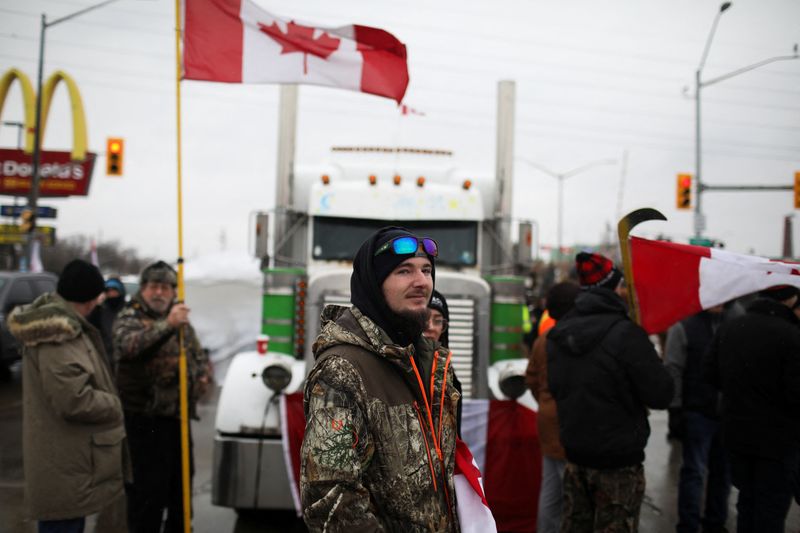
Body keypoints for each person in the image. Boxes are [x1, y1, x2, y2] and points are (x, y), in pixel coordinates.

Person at [300, 227, 460, 531]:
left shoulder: (428, 360)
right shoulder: (342, 370)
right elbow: (329, 500)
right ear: (374, 284)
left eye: (426, 270)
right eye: (404, 271)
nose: (421, 282)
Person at [547, 252, 674, 532]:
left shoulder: (557, 334)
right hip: (618, 465)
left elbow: (556, 389)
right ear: (614, 288)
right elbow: (661, 394)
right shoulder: (628, 335)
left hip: (575, 459)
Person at [9, 259, 128, 533]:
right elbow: (73, 400)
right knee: (62, 525)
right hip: (64, 466)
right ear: (88, 299)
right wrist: (113, 403)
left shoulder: (64, 327)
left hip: (66, 460)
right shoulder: (57, 336)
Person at [113, 260, 211, 533]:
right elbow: (129, 347)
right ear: (143, 289)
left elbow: (197, 356)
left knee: (181, 497)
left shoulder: (181, 321)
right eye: (154, 287)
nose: (159, 293)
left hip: (177, 422)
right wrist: (167, 324)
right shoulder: (130, 317)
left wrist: (201, 378)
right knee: (147, 500)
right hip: (143, 425)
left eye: (165, 287)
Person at [704, 285, 800, 533]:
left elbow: (710, 374)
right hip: (778, 443)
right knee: (770, 511)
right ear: (789, 301)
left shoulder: (730, 327)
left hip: (737, 436)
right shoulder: (791, 336)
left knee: (747, 503)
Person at [665, 305, 738, 533]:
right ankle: (688, 525)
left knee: (722, 473)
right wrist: (675, 408)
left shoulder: (737, 321)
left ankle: (715, 523)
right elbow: (673, 369)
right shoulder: (684, 326)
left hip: (727, 414)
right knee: (694, 472)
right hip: (697, 411)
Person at [524, 281, 580, 533]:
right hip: (569, 423)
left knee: (549, 494)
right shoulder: (576, 338)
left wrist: (544, 401)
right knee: (570, 496)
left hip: (546, 421)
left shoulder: (543, 339)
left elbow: (532, 378)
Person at [89, 277, 127, 368]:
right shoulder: (99, 311)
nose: (111, 293)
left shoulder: (128, 310)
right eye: (108, 291)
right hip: (104, 359)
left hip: (124, 361)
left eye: (114, 290)